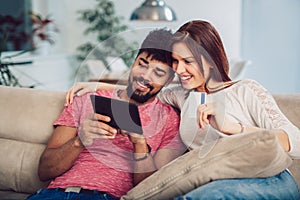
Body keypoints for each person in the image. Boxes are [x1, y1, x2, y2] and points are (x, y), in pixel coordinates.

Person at [65, 20, 300, 199]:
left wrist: (231, 127)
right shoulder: (182, 95)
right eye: (176, 62)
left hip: (268, 179)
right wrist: (95, 85)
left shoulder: (245, 90)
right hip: (211, 182)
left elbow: (296, 143)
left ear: (209, 59)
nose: (179, 69)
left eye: (188, 62)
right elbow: (145, 86)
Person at [27, 29, 185, 200]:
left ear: (169, 80)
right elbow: (44, 170)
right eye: (142, 64)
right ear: (133, 62)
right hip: (53, 194)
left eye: (158, 73)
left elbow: (153, 190)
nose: (145, 76)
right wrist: (80, 140)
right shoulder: (86, 98)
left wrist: (140, 144)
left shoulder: (169, 120)